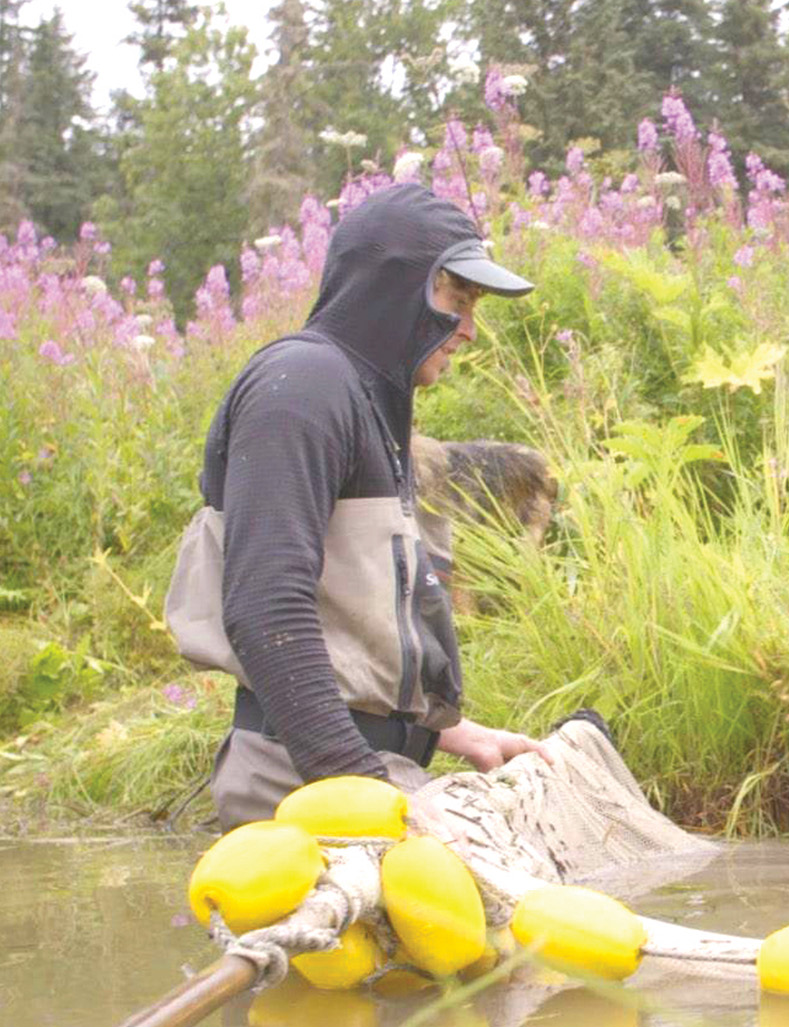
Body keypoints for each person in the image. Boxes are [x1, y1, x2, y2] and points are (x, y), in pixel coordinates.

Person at [164, 184, 555, 831]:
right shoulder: (305, 389)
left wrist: (456, 736)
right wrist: (368, 793)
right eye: (456, 300)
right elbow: (268, 610)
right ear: (396, 286)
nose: (469, 331)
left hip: (351, 770)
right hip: (303, 786)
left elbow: (348, 632)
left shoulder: (365, 406)